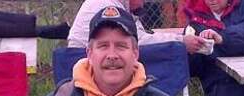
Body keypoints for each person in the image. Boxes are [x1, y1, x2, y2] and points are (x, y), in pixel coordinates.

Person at [29, 7, 188, 96]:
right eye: (103, 46)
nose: (112, 55)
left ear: (135, 53)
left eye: (121, 46)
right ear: (89, 53)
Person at [68, 0, 208, 54]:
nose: (144, 3)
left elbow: (140, 36)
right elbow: (139, 41)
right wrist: (182, 42)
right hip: (86, 63)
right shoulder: (110, 8)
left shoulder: (118, 5)